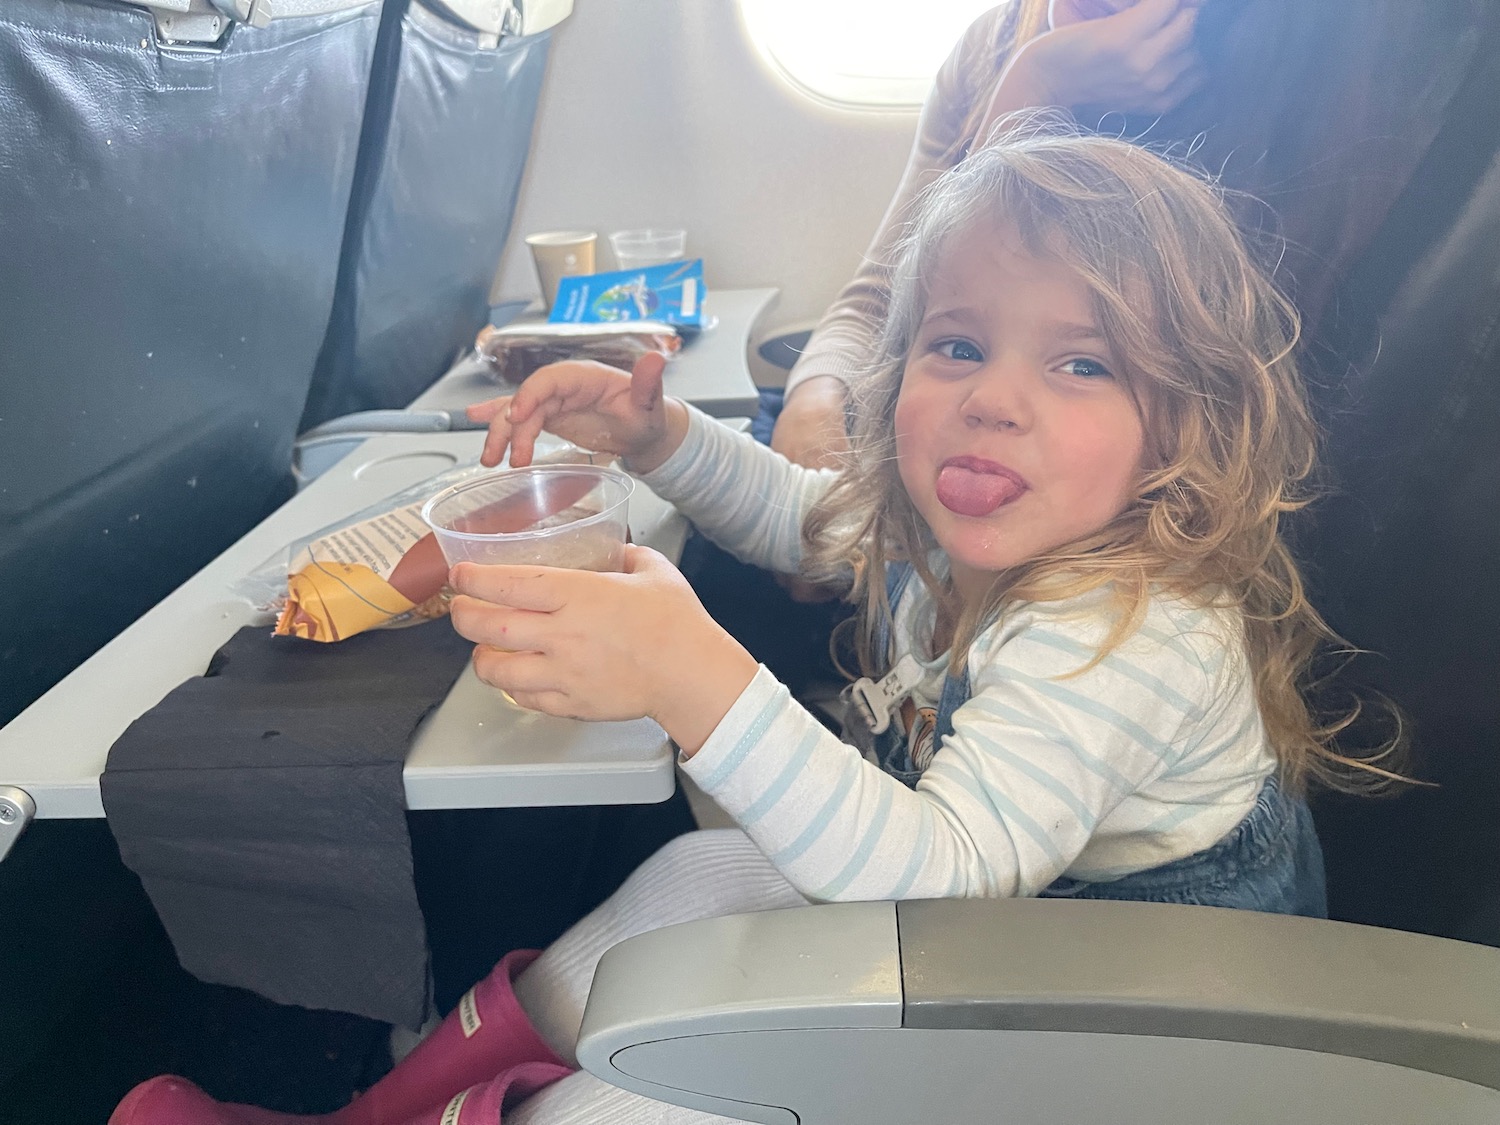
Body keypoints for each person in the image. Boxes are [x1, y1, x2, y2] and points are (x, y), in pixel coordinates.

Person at [112, 126, 1403, 1125]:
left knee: (647, 1097)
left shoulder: (1128, 630)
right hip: (996, 937)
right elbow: (801, 520)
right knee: (692, 881)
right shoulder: (969, 526)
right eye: (957, 346)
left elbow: (942, 873)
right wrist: (660, 437)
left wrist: (700, 683)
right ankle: (383, 1107)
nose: (993, 400)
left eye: (1082, 364)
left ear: (1183, 429)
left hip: (1125, 1026)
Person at [772, 0, 1474, 473]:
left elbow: (1012, 352)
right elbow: (890, 302)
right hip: (917, 432)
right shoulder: (995, 40)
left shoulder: (1288, 91)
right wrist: (814, 395)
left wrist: (1036, 94)